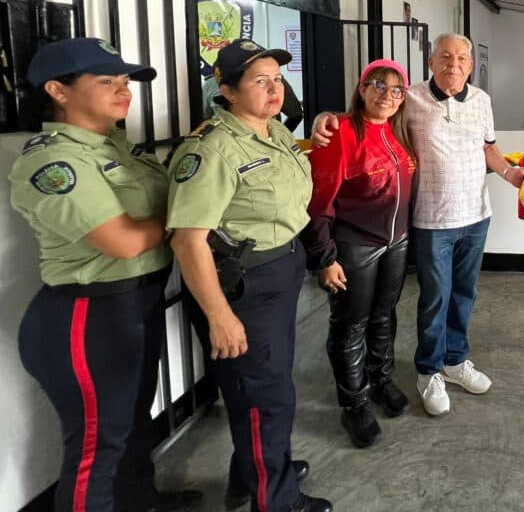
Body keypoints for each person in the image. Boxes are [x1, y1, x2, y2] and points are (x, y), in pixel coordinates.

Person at [10, 38, 201, 512]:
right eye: (106, 81)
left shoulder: (118, 146)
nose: (123, 91)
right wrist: (191, 218)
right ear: (58, 90)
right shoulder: (54, 161)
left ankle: (140, 501)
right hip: (88, 314)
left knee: (134, 420)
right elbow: (125, 241)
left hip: (137, 302)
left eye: (125, 81)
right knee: (98, 443)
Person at [311, 34, 524, 417]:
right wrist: (323, 117)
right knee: (434, 298)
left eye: (463, 58)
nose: (454, 64)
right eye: (445, 56)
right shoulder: (408, 99)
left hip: (476, 216)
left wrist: (509, 172)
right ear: (431, 62)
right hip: (431, 221)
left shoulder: (482, 102)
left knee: (465, 295)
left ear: (471, 64)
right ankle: (428, 371)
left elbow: (488, 149)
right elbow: (368, 117)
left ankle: (455, 360)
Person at [167, 40, 330, 512]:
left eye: (277, 79)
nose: (273, 88)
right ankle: (274, 500)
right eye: (259, 81)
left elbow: (279, 174)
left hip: (280, 272)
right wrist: (219, 316)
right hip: (243, 288)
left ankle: (252, 474)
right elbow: (187, 241)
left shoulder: (270, 130)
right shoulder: (212, 149)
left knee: (266, 385)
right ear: (228, 90)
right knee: (267, 397)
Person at [302, 59, 416, 448]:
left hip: (396, 242)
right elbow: (318, 202)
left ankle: (381, 380)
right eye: (379, 86)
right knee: (351, 325)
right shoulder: (340, 133)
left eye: (397, 90)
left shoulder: (401, 132)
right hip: (354, 247)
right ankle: (355, 405)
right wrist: (324, 257)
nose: (387, 95)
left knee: (384, 315)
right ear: (362, 88)